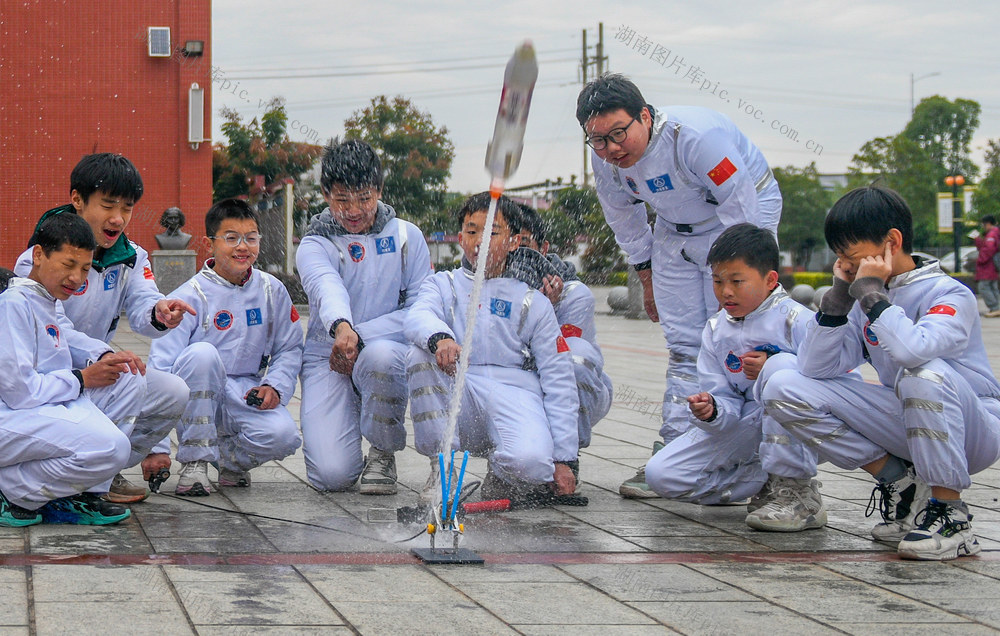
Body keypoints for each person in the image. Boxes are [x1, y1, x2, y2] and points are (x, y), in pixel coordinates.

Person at [762, 185, 1000, 560]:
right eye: (841, 258)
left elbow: (912, 351)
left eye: (852, 256)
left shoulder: (949, 293)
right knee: (784, 383)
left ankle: (951, 514)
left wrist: (872, 296)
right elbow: (815, 368)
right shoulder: (862, 298)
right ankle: (900, 482)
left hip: (973, 431)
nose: (847, 266)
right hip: (912, 422)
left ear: (892, 241)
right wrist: (839, 300)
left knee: (921, 373)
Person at [576, 73, 782, 498]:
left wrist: (731, 280)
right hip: (673, 227)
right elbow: (624, 218)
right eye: (598, 140)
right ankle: (676, 442)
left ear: (645, 117)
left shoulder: (694, 139)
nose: (612, 148)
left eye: (619, 133)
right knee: (685, 343)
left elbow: (739, 206)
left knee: (739, 331)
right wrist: (647, 276)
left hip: (742, 215)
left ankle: (768, 458)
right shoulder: (605, 159)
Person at [15, 153, 194, 504]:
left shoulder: (131, 257)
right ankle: (61, 477)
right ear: (77, 200)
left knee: (173, 391)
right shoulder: (39, 259)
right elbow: (55, 328)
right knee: (125, 377)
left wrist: (161, 312)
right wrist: (104, 355)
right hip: (47, 379)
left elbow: (144, 306)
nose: (118, 218)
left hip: (99, 368)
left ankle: (103, 472)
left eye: (127, 208)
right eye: (108, 204)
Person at [644, 224, 824, 531]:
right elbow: (724, 396)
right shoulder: (716, 328)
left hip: (793, 423)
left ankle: (799, 493)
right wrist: (713, 409)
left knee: (780, 374)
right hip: (746, 421)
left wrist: (777, 364)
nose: (725, 291)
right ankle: (764, 481)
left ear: (770, 280)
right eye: (717, 281)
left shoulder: (797, 320)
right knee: (661, 474)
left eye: (737, 281)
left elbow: (830, 379)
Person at [405, 192, 579, 501]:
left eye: (492, 233)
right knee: (420, 352)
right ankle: (442, 468)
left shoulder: (532, 301)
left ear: (514, 241)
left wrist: (564, 458)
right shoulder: (442, 285)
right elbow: (418, 316)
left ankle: (502, 474)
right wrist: (439, 338)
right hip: (460, 391)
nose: (480, 241)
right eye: (472, 231)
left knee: (533, 465)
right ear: (461, 238)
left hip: (514, 393)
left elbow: (559, 376)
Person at [296, 140, 432, 493]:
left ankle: (382, 450)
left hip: (382, 353)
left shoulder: (406, 237)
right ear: (325, 194)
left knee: (383, 356)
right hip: (329, 356)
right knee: (332, 477)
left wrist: (361, 335)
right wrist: (341, 328)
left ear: (380, 191)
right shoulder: (314, 243)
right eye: (342, 199)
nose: (354, 210)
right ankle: (350, 419)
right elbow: (327, 287)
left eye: (364, 198)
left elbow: (422, 308)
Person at [146, 198, 303, 495]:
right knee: (202, 354)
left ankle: (229, 461)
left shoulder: (272, 291)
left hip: (245, 392)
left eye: (251, 238)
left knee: (284, 436)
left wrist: (275, 386)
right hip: (198, 395)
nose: (243, 247)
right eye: (231, 238)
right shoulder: (188, 296)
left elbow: (290, 347)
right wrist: (155, 446)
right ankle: (195, 462)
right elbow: (160, 369)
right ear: (209, 243)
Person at [0, 212, 133, 526]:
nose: (77, 278)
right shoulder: (14, 304)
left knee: (127, 386)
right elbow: (20, 391)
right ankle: (15, 491)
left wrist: (103, 360)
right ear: (39, 255)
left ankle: (77, 494)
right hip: (12, 413)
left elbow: (66, 348)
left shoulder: (45, 302)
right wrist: (81, 379)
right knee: (111, 447)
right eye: (68, 264)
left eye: (85, 268)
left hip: (33, 409)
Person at [509, 203, 613, 461]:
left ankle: (566, 457)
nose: (516, 253)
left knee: (573, 362)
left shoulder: (573, 294)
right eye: (509, 242)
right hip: (515, 386)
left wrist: (544, 309)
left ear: (543, 249)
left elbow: (559, 363)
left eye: (524, 243)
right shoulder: (490, 288)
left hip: (572, 388)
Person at [973, 215, 1000, 317]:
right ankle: (997, 307)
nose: (983, 227)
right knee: (993, 287)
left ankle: (994, 308)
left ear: (988, 223)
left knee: (983, 287)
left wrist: (980, 260)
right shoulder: (994, 234)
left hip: (988, 267)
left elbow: (988, 250)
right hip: (992, 267)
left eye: (984, 225)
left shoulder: (991, 235)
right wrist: (978, 240)